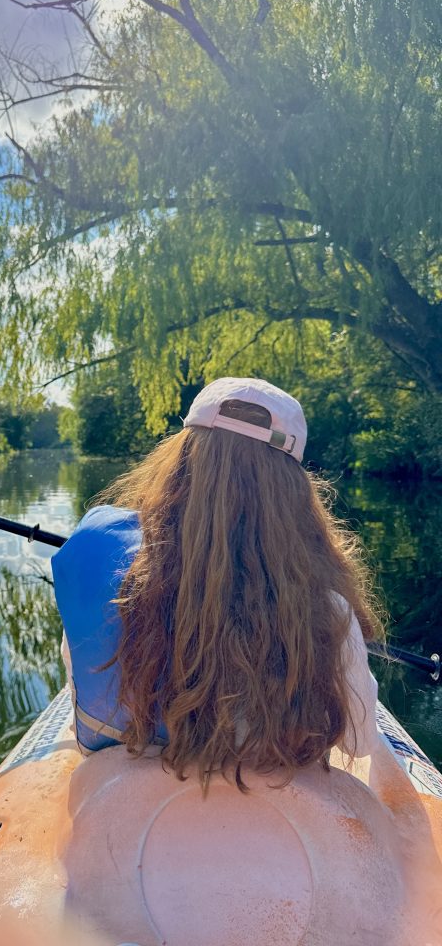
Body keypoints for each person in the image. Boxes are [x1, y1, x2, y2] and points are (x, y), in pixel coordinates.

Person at [51, 377, 442, 945]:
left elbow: (85, 711)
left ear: (180, 459)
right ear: (291, 490)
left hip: (117, 813)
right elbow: (359, 741)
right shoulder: (325, 611)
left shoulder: (109, 579)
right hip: (286, 834)